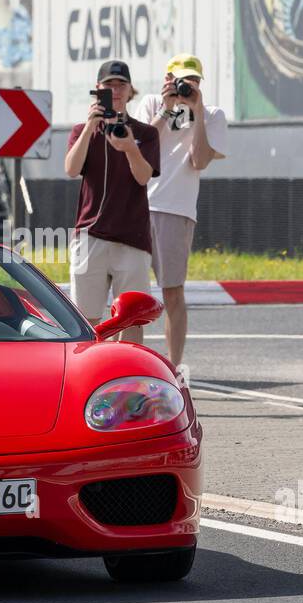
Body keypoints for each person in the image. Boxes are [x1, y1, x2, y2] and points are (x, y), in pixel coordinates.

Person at [138, 54, 227, 371]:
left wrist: (197, 111)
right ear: (167, 79)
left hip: (176, 210)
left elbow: (199, 160)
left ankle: (174, 369)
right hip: (137, 205)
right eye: (181, 80)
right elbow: (139, 144)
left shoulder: (213, 114)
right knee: (127, 293)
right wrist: (167, 108)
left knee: (172, 292)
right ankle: (125, 363)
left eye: (194, 82)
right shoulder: (151, 104)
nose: (187, 87)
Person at [64, 59, 160, 344]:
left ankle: (128, 380)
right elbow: (71, 169)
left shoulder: (145, 133)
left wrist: (129, 147)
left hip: (132, 238)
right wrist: (92, 124)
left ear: (131, 91)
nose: (115, 91)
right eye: (108, 85)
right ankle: (90, 378)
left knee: (132, 320)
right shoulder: (82, 130)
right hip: (90, 236)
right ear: (97, 90)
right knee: (86, 319)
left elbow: (143, 177)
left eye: (121, 85)